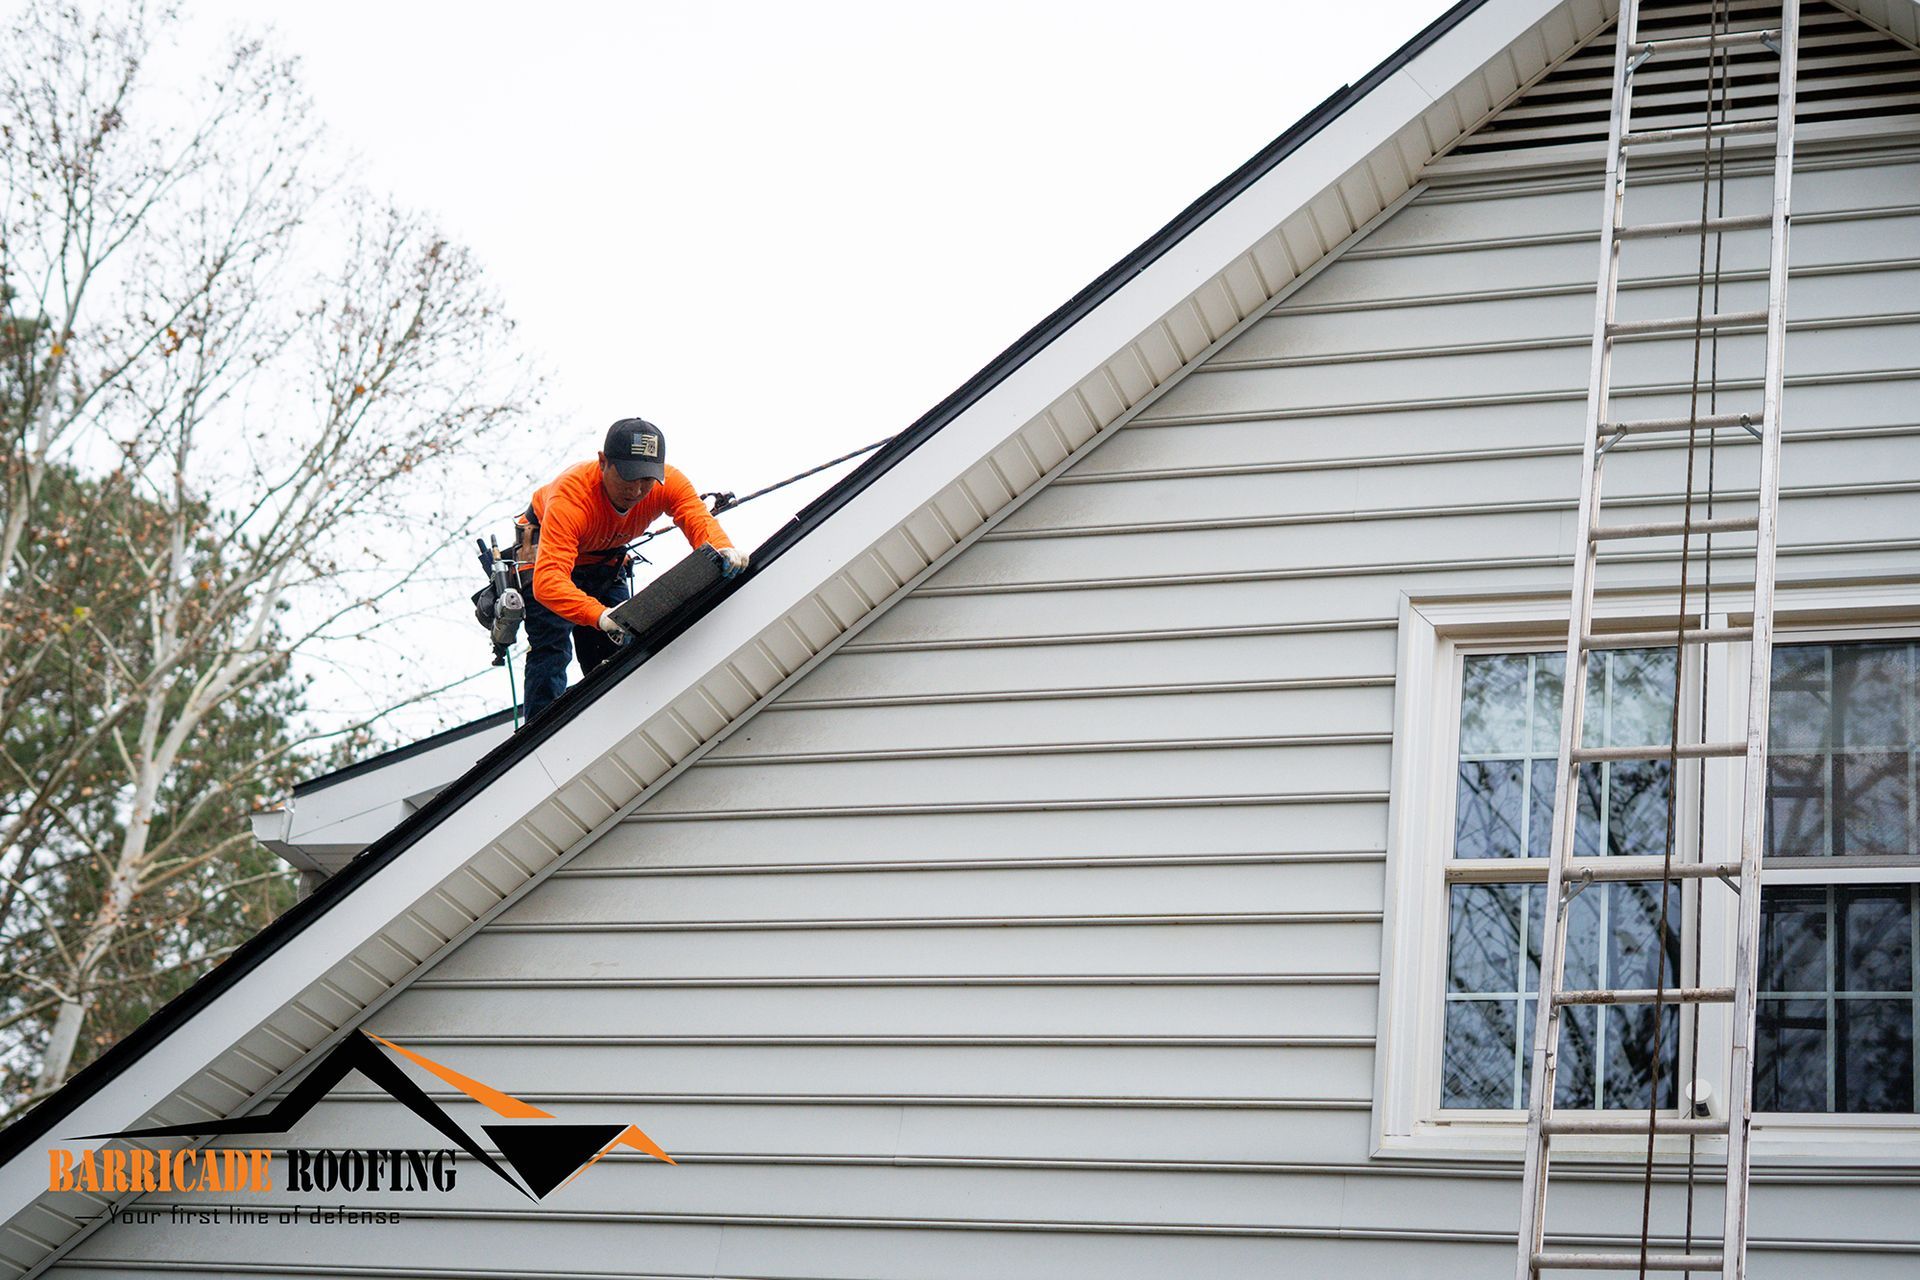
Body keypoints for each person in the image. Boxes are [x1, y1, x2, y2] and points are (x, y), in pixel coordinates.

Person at [517, 418, 747, 719]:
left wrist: (723, 550)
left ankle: (624, 721)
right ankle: (538, 738)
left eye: (647, 479)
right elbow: (548, 582)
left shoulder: (669, 484)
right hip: (545, 556)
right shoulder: (572, 497)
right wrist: (599, 615)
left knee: (621, 650)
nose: (637, 490)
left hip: (604, 562)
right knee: (552, 650)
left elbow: (697, 520)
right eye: (628, 477)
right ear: (603, 462)